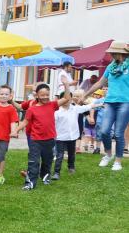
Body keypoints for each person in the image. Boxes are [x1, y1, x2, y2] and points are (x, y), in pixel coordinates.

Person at [83, 41, 129, 171]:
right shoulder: (110, 67)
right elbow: (100, 83)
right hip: (109, 102)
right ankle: (108, 155)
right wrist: (85, 94)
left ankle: (118, 161)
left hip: (125, 102)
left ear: (121, 53)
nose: (112, 55)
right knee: (104, 130)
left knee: (119, 133)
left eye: (114, 52)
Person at [15, 83, 71, 189]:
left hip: (49, 139)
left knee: (47, 160)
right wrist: (16, 130)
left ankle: (45, 177)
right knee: (34, 161)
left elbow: (66, 98)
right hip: (35, 139)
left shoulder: (52, 105)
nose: (45, 97)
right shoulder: (32, 109)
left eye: (47, 95)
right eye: (42, 95)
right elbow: (25, 122)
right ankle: (30, 183)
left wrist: (66, 85)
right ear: (37, 95)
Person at [52, 92, 100, 179]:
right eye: (65, 98)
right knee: (59, 155)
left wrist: (99, 104)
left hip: (72, 136)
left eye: (69, 98)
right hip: (60, 137)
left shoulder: (75, 108)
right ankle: (56, 172)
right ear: (61, 99)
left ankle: (71, 167)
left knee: (71, 154)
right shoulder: (57, 111)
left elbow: (87, 107)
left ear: (71, 99)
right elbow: (52, 124)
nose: (67, 100)